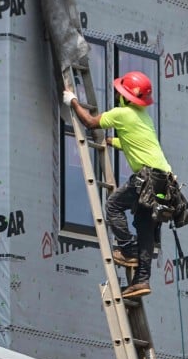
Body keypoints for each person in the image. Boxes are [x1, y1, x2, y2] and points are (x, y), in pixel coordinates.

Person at [63, 70, 171, 299]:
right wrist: (111, 141)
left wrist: (72, 100)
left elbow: (90, 122)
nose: (115, 96)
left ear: (125, 97)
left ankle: (127, 248)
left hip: (148, 176)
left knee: (112, 205)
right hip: (165, 181)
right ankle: (141, 280)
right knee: (145, 227)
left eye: (118, 93)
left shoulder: (122, 113)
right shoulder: (143, 115)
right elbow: (136, 143)